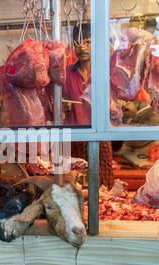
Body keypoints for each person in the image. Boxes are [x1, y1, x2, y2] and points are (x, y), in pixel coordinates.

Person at [63, 23, 115, 189]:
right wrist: (62, 108)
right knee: (76, 188)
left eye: (87, 41)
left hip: (100, 138)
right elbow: (56, 106)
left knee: (104, 188)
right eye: (78, 43)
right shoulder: (64, 73)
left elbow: (120, 107)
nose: (82, 47)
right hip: (74, 139)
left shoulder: (106, 71)